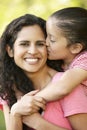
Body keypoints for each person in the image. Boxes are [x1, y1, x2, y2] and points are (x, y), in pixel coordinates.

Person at [0, 12, 87, 130]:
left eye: (40, 44)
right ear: (10, 50)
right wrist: (15, 113)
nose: (32, 51)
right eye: (24, 44)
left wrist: (38, 123)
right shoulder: (8, 88)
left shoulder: (68, 84)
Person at [35, 6, 87, 101]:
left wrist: (32, 100)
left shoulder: (84, 60)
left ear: (75, 47)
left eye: (52, 40)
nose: (46, 43)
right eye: (46, 36)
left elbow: (62, 88)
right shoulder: (60, 62)